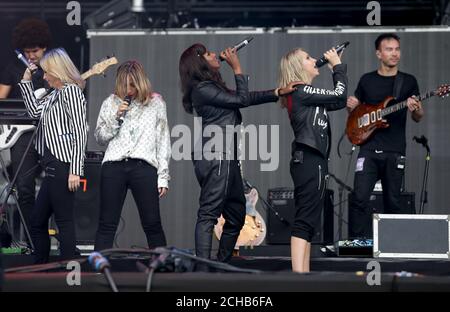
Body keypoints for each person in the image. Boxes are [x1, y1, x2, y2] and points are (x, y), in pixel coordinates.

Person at [179, 43, 297, 265]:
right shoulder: (202, 88)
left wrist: (277, 92)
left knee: (235, 215)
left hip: (226, 156)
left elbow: (244, 97)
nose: (214, 54)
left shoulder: (212, 88)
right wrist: (237, 68)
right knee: (208, 213)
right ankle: (202, 271)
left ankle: (220, 265)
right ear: (199, 63)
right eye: (207, 54)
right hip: (215, 153)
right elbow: (241, 100)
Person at [347, 33, 424, 238]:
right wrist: (351, 107)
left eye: (397, 49)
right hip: (368, 148)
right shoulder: (367, 80)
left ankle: (392, 246)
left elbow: (418, 116)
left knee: (394, 200)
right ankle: (356, 247)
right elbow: (357, 117)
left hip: (395, 149)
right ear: (378, 54)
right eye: (389, 49)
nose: (395, 53)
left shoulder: (408, 81)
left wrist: (414, 108)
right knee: (359, 198)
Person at [278, 47, 347, 272]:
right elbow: (340, 95)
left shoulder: (306, 93)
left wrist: (334, 68)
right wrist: (337, 67)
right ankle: (298, 278)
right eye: (307, 58)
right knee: (304, 220)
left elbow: (338, 102)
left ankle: (303, 275)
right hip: (308, 159)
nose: (312, 59)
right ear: (299, 68)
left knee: (308, 221)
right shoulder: (300, 91)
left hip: (313, 159)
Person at [19, 48, 88, 263]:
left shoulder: (71, 92)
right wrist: (26, 81)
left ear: (57, 71)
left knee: (63, 221)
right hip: (51, 167)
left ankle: (68, 273)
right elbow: (34, 112)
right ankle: (42, 268)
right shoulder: (54, 95)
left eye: (47, 72)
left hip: (63, 164)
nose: (45, 76)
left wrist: (75, 170)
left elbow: (79, 131)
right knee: (38, 220)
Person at [94, 60, 170, 251]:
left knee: (152, 223)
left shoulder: (156, 103)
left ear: (141, 82)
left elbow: (163, 140)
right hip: (114, 166)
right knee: (107, 223)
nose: (129, 90)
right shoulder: (110, 103)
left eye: (133, 85)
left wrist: (163, 177)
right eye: (125, 85)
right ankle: (98, 270)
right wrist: (115, 118)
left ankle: (162, 269)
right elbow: (100, 138)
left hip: (143, 166)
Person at [0, 18, 51, 242]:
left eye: (35, 51)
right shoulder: (13, 67)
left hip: (51, 134)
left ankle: (51, 238)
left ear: (45, 47)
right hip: (22, 136)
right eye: (27, 51)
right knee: (24, 188)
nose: (30, 55)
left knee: (55, 185)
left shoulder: (53, 67)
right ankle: (31, 241)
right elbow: (1, 100)